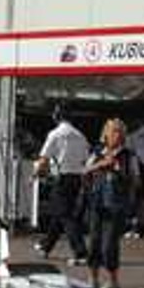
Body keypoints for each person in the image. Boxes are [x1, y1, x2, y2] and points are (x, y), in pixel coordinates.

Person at [82, 118, 141, 288]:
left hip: (116, 205)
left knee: (109, 245)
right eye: (112, 131)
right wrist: (100, 165)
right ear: (105, 134)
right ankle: (93, 279)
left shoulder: (128, 155)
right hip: (98, 202)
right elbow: (84, 171)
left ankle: (114, 282)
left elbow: (137, 180)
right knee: (93, 243)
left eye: (118, 131)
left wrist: (118, 171)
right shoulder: (98, 152)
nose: (115, 135)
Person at [32, 109, 90, 265]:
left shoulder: (55, 134)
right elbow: (86, 160)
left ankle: (81, 251)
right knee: (60, 214)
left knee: (65, 215)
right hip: (76, 178)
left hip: (61, 178)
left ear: (57, 117)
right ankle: (46, 247)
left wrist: (36, 174)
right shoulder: (80, 136)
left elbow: (44, 158)